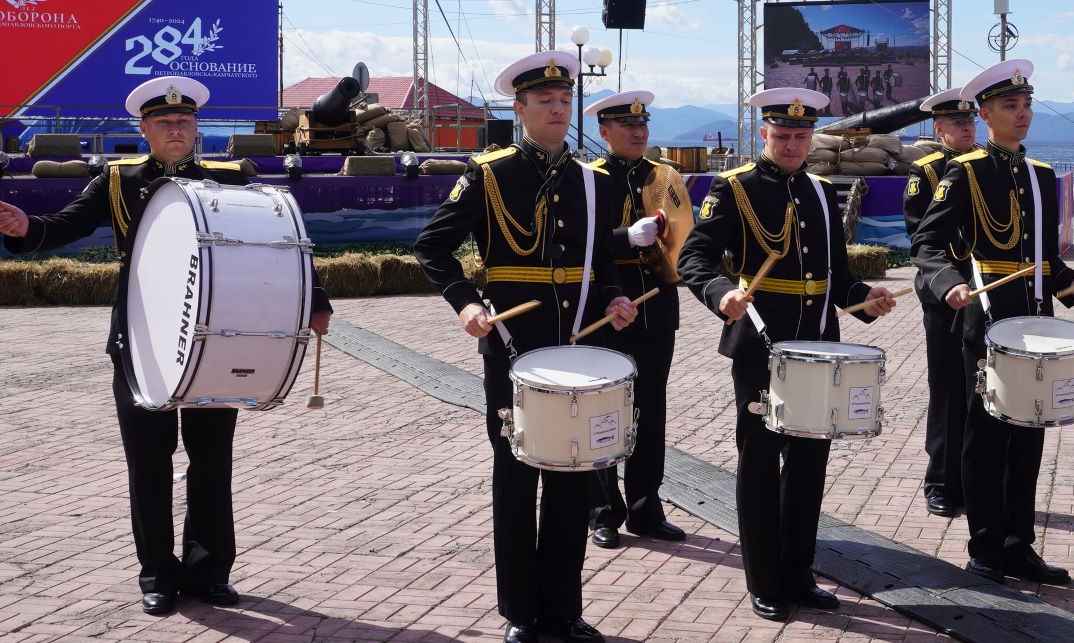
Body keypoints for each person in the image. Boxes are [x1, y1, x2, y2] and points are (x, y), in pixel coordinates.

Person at [0, 76, 333, 616]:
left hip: (215, 341)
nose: (175, 129)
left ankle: (210, 572)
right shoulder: (117, 181)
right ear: (145, 129)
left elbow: (276, 241)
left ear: (196, 128)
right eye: (163, 123)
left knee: (211, 460)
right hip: (142, 342)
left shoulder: (227, 178)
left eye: (183, 122)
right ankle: (157, 572)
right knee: (148, 463)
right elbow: (63, 227)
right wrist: (24, 228)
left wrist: (314, 300)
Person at [414, 50, 638, 643]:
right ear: (520, 110)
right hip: (514, 347)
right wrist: (466, 303)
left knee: (571, 478)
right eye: (545, 102)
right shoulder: (489, 173)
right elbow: (431, 247)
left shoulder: (596, 180)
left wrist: (613, 297)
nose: (558, 110)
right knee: (516, 480)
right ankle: (520, 612)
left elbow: (602, 259)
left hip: (576, 347)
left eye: (565, 101)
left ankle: (564, 609)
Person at [677, 87, 897, 622]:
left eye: (801, 136)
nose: (793, 144)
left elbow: (836, 277)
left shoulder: (823, 191)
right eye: (783, 135)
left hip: (818, 347)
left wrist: (864, 300)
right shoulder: (734, 188)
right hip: (761, 347)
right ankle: (765, 579)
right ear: (764, 135)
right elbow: (695, 256)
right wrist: (720, 293)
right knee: (759, 465)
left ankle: (799, 571)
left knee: (808, 463)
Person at [911, 59, 1074, 586]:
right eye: (1010, 107)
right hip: (987, 321)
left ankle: (1020, 545)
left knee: (1029, 433)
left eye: (1026, 105)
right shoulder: (964, 172)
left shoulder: (1040, 177)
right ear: (986, 114)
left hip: (1036, 320)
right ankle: (986, 546)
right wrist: (947, 282)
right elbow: (926, 242)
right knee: (986, 435)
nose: (1023, 114)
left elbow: (1044, 258)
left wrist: (1070, 282)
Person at [581, 90, 687, 550]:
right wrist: (625, 238)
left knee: (650, 411)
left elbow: (680, 238)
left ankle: (646, 508)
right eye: (627, 126)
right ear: (604, 132)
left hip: (655, 307)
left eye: (643, 125)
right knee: (604, 410)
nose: (639, 132)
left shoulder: (664, 177)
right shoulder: (588, 179)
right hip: (607, 306)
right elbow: (578, 243)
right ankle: (602, 510)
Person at [903, 88, 979, 518]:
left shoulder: (988, 167)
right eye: (958, 124)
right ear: (940, 129)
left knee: (982, 388)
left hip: (986, 295)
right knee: (949, 387)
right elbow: (921, 234)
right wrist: (952, 276)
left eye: (971, 123)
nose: (967, 130)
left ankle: (975, 477)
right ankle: (942, 481)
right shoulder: (928, 172)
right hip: (944, 294)